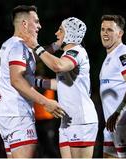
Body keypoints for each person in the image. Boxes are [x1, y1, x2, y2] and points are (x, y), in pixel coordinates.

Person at [0, 5, 65, 158]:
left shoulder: (10, 44)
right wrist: (45, 101)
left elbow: (34, 55)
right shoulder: (18, 46)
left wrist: (57, 45)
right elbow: (17, 80)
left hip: (7, 113)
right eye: (36, 21)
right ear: (25, 24)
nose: (40, 26)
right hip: (18, 114)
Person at [31, 17, 99, 158]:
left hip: (81, 120)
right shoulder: (66, 55)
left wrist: (36, 47)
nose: (57, 33)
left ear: (70, 34)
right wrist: (34, 82)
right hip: (67, 121)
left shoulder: (76, 52)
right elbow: (60, 84)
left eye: (60, 30)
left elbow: (58, 66)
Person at [99, 14, 126, 158]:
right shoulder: (109, 56)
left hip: (125, 122)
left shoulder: (124, 54)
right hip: (112, 124)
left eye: (110, 30)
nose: (105, 33)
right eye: (102, 29)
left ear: (120, 33)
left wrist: (119, 112)